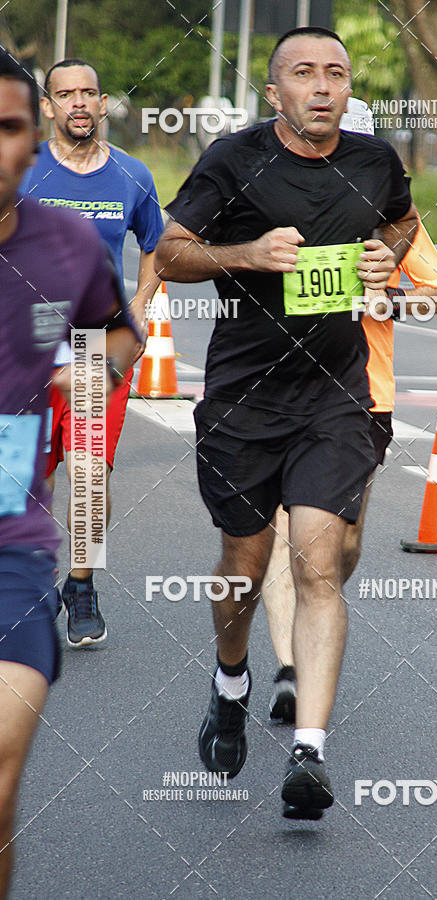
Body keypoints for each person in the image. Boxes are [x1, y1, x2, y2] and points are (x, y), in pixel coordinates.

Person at [155, 27, 419, 819]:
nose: (322, 86)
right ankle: (231, 678)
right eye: (303, 73)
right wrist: (248, 255)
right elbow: (169, 252)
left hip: (336, 395)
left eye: (335, 73)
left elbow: (401, 222)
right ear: (275, 93)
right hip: (243, 397)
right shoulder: (235, 159)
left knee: (318, 561)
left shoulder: (375, 161)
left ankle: (310, 753)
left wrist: (384, 252)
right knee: (245, 553)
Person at [0, 49, 139, 896]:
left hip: (9, 540)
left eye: (6, 126)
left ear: (30, 142)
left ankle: (79, 582)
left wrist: (97, 366)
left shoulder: (68, 242)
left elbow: (114, 328)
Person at [263, 99, 437, 723]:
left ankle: (319, 619)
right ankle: (290, 669)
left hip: (364, 397)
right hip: (279, 391)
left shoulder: (399, 224)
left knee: (339, 548)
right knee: (286, 535)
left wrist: (384, 296)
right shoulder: (271, 204)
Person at [20, 58, 163, 645]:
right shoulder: (22, 173)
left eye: (89, 93)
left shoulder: (132, 176)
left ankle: (81, 582)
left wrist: (142, 309)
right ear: (48, 108)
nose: (78, 102)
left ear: (103, 104)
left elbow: (159, 247)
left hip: (96, 343)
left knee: (88, 474)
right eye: (65, 94)